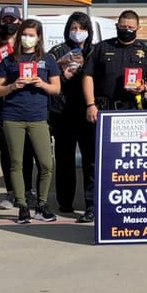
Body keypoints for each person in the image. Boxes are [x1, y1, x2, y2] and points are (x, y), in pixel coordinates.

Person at [81, 10, 147, 223]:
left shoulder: (146, 52)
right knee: (96, 161)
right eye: (123, 26)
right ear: (117, 26)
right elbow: (87, 76)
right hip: (103, 111)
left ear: (138, 28)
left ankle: (129, 204)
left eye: (130, 27)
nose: (126, 30)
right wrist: (90, 105)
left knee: (132, 162)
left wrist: (145, 87)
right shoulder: (101, 48)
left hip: (133, 112)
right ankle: (92, 206)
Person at [0, 18, 61, 224]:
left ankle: (42, 204)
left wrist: (42, 84)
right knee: (16, 163)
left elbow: (56, 89)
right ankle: (22, 206)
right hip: (13, 117)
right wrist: (13, 86)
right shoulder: (9, 60)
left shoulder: (47, 60)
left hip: (38, 117)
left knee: (46, 163)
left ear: (38, 37)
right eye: (24, 34)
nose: (27, 38)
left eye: (31, 35)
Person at [0, 5, 34, 210]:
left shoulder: (27, 44)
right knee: (6, 149)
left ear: (19, 22)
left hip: (23, 101)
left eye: (12, 20)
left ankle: (27, 190)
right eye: (5, 20)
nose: (8, 24)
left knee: (26, 149)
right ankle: (11, 191)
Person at [47, 12, 95, 217]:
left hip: (86, 112)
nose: (78, 32)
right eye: (74, 28)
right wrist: (62, 74)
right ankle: (65, 201)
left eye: (82, 28)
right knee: (64, 159)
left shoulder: (94, 50)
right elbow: (47, 76)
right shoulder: (57, 51)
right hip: (62, 112)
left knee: (90, 159)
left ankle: (90, 202)